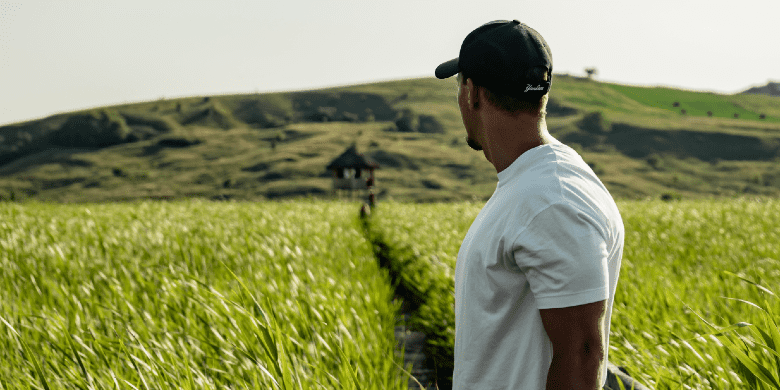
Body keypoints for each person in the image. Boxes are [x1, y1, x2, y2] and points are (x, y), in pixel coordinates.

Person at [435, 20, 650, 389]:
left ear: (471, 92)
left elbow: (582, 354)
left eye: (459, 85)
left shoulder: (551, 199)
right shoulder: (537, 186)